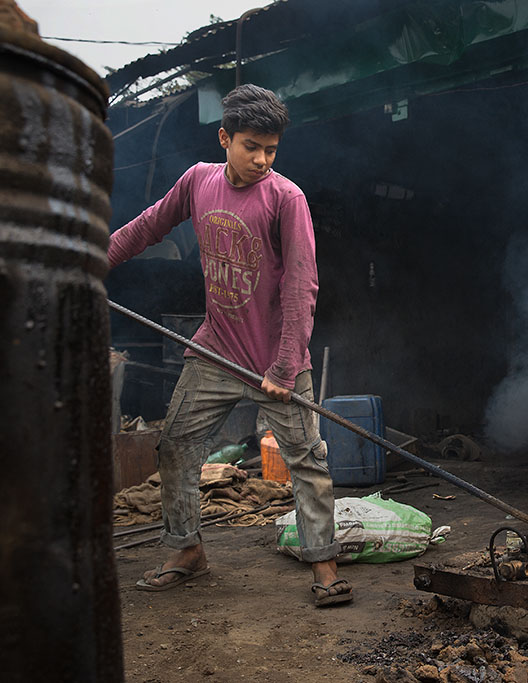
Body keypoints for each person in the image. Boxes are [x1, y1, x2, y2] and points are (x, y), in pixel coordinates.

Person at [108, 84, 351, 607]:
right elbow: (150, 226)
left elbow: (301, 286)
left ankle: (325, 564)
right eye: (251, 146)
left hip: (275, 358)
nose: (262, 159)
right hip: (216, 350)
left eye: (271, 150)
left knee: (306, 460)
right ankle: (185, 549)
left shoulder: (287, 198)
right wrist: (98, 257)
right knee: (175, 445)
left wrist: (286, 367)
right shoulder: (198, 181)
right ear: (224, 138)